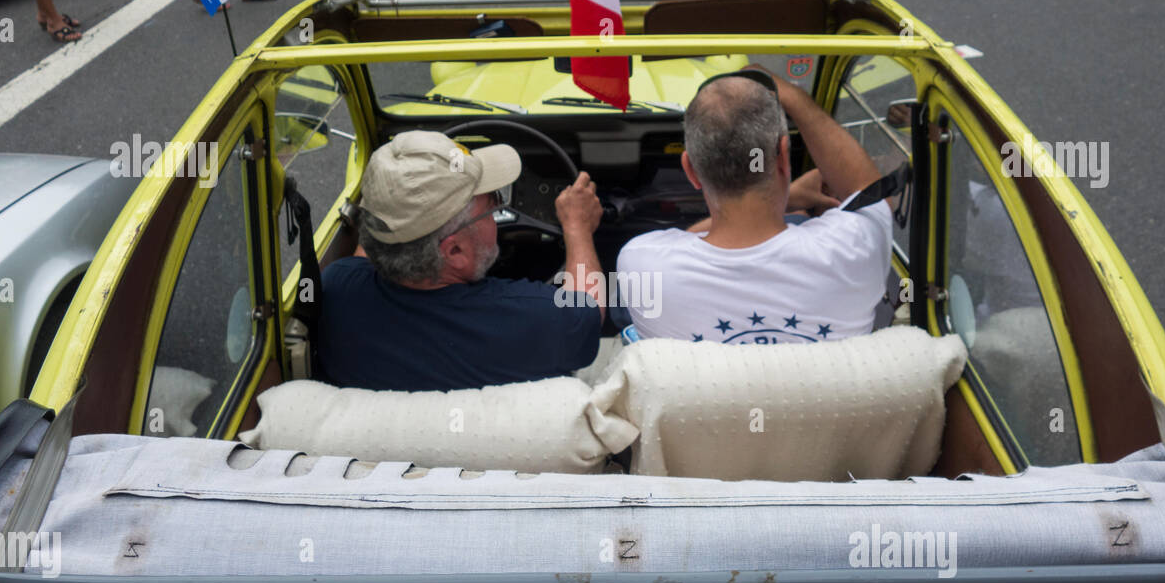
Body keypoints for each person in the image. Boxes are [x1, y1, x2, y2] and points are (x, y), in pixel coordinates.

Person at [615, 68, 893, 345]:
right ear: (783, 156)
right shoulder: (853, 247)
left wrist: (790, 198)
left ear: (691, 171)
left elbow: (687, 244)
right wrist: (795, 98)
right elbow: (871, 192)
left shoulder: (642, 263)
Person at [315, 131, 606, 393]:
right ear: (454, 252)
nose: (498, 209)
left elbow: (370, 249)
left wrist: (393, 198)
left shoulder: (336, 292)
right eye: (493, 202)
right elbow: (589, 309)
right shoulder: (533, 320)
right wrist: (577, 227)